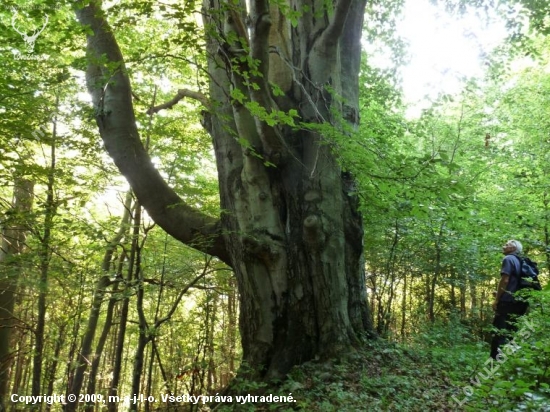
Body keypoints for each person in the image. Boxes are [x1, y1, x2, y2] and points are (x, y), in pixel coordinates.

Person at [490, 239, 529, 359]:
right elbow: (514, 283)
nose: (504, 246)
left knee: (499, 334)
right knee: (512, 334)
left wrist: (497, 299)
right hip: (519, 304)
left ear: (513, 248)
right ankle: (510, 364)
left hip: (506, 303)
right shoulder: (520, 261)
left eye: (507, 245)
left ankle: (495, 365)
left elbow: (505, 280)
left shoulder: (508, 259)